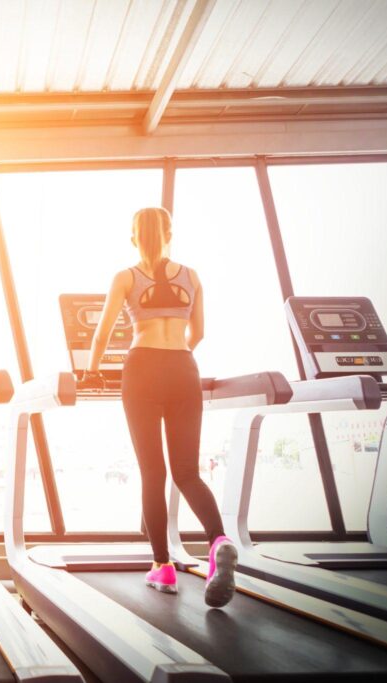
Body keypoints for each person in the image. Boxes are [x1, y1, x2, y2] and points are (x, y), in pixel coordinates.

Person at [84, 207, 237, 608]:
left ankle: (162, 565)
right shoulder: (193, 276)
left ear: (133, 237)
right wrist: (178, 357)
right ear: (170, 233)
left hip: (142, 368)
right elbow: (198, 332)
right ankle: (219, 540)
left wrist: (90, 371)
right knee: (187, 471)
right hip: (183, 367)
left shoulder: (126, 277)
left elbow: (101, 335)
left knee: (153, 472)